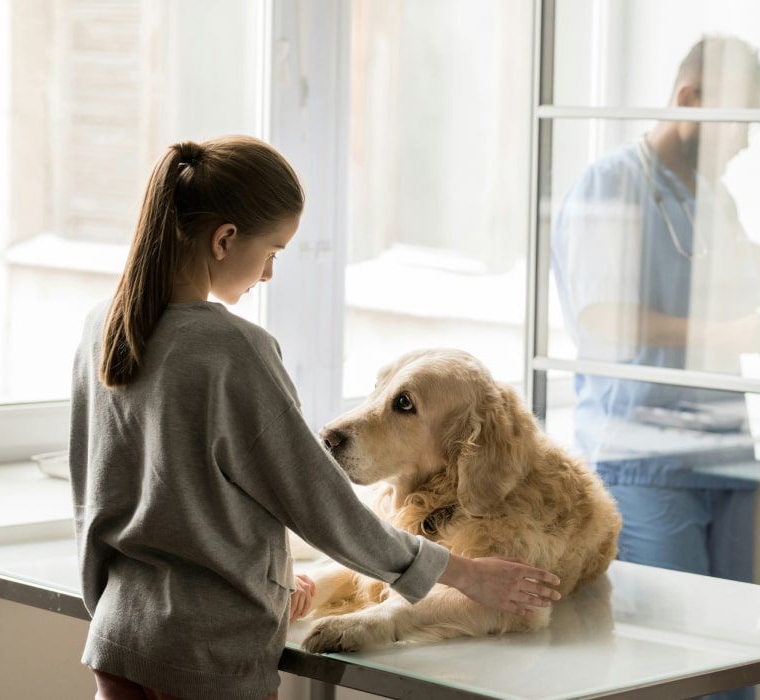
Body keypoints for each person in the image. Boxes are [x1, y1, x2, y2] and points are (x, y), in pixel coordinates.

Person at [69, 135, 561, 700]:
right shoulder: (234, 350)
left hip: (117, 639)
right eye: (273, 252)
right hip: (211, 656)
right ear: (225, 239)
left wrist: (266, 581)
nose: (270, 274)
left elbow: (95, 495)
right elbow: (322, 505)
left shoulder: (100, 325)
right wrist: (468, 574)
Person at [551, 36, 760, 700]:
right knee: (677, 669)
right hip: (644, 463)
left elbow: (747, 297)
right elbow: (602, 316)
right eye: (742, 122)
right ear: (689, 99)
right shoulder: (612, 182)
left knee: (741, 662)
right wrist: (722, 330)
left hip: (723, 454)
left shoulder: (715, 201)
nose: (747, 143)